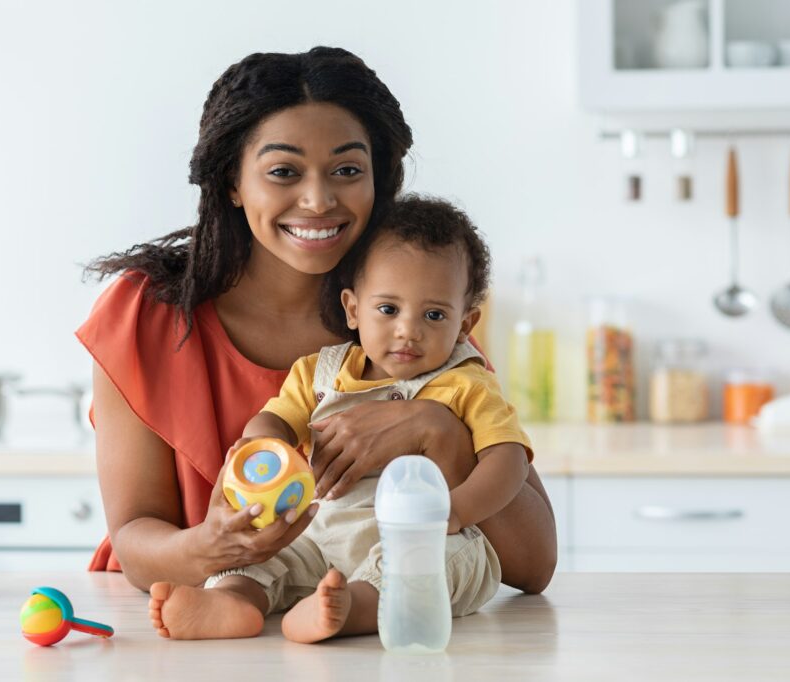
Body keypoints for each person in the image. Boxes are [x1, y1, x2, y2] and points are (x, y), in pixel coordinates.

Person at [77, 47, 556, 605]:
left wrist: (436, 432)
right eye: (283, 171)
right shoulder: (145, 315)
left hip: (355, 637)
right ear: (233, 181)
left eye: (347, 170)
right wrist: (213, 547)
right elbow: (135, 543)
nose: (318, 199)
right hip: (181, 625)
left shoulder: (412, 322)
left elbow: (533, 563)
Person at [146, 195, 531, 642]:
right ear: (353, 308)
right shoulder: (318, 372)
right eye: (388, 310)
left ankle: (349, 610)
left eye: (434, 314)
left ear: (465, 325)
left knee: (434, 564)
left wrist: (456, 512)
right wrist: (263, 450)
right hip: (320, 531)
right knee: (261, 552)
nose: (408, 329)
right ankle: (233, 600)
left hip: (416, 536)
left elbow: (509, 461)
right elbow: (271, 422)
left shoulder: (467, 384)